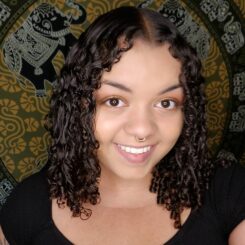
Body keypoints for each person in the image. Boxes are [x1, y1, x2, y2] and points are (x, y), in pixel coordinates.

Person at [0, 6, 245, 245]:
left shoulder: (228, 191)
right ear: (79, 105)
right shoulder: (29, 205)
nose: (142, 129)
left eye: (166, 103)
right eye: (114, 101)